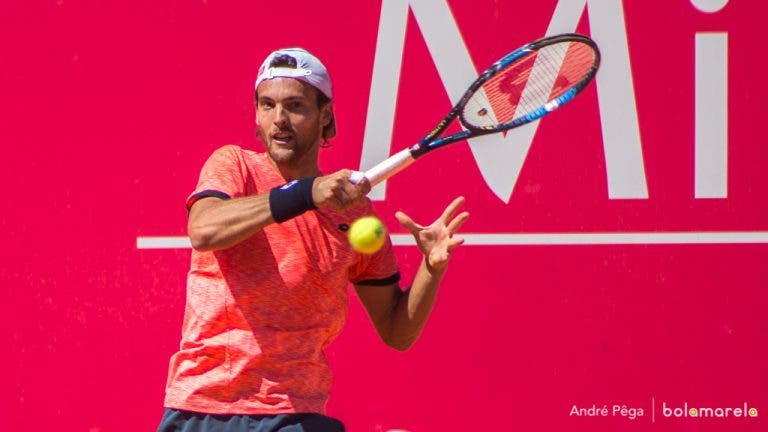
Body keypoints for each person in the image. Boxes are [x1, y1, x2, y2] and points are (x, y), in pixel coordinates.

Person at [158, 47, 469, 432]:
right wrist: (306, 192)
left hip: (293, 411)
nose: (279, 120)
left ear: (325, 115)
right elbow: (204, 230)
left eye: (295, 106)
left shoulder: (355, 216)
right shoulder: (234, 165)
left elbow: (397, 330)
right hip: (204, 407)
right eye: (267, 105)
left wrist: (430, 268)